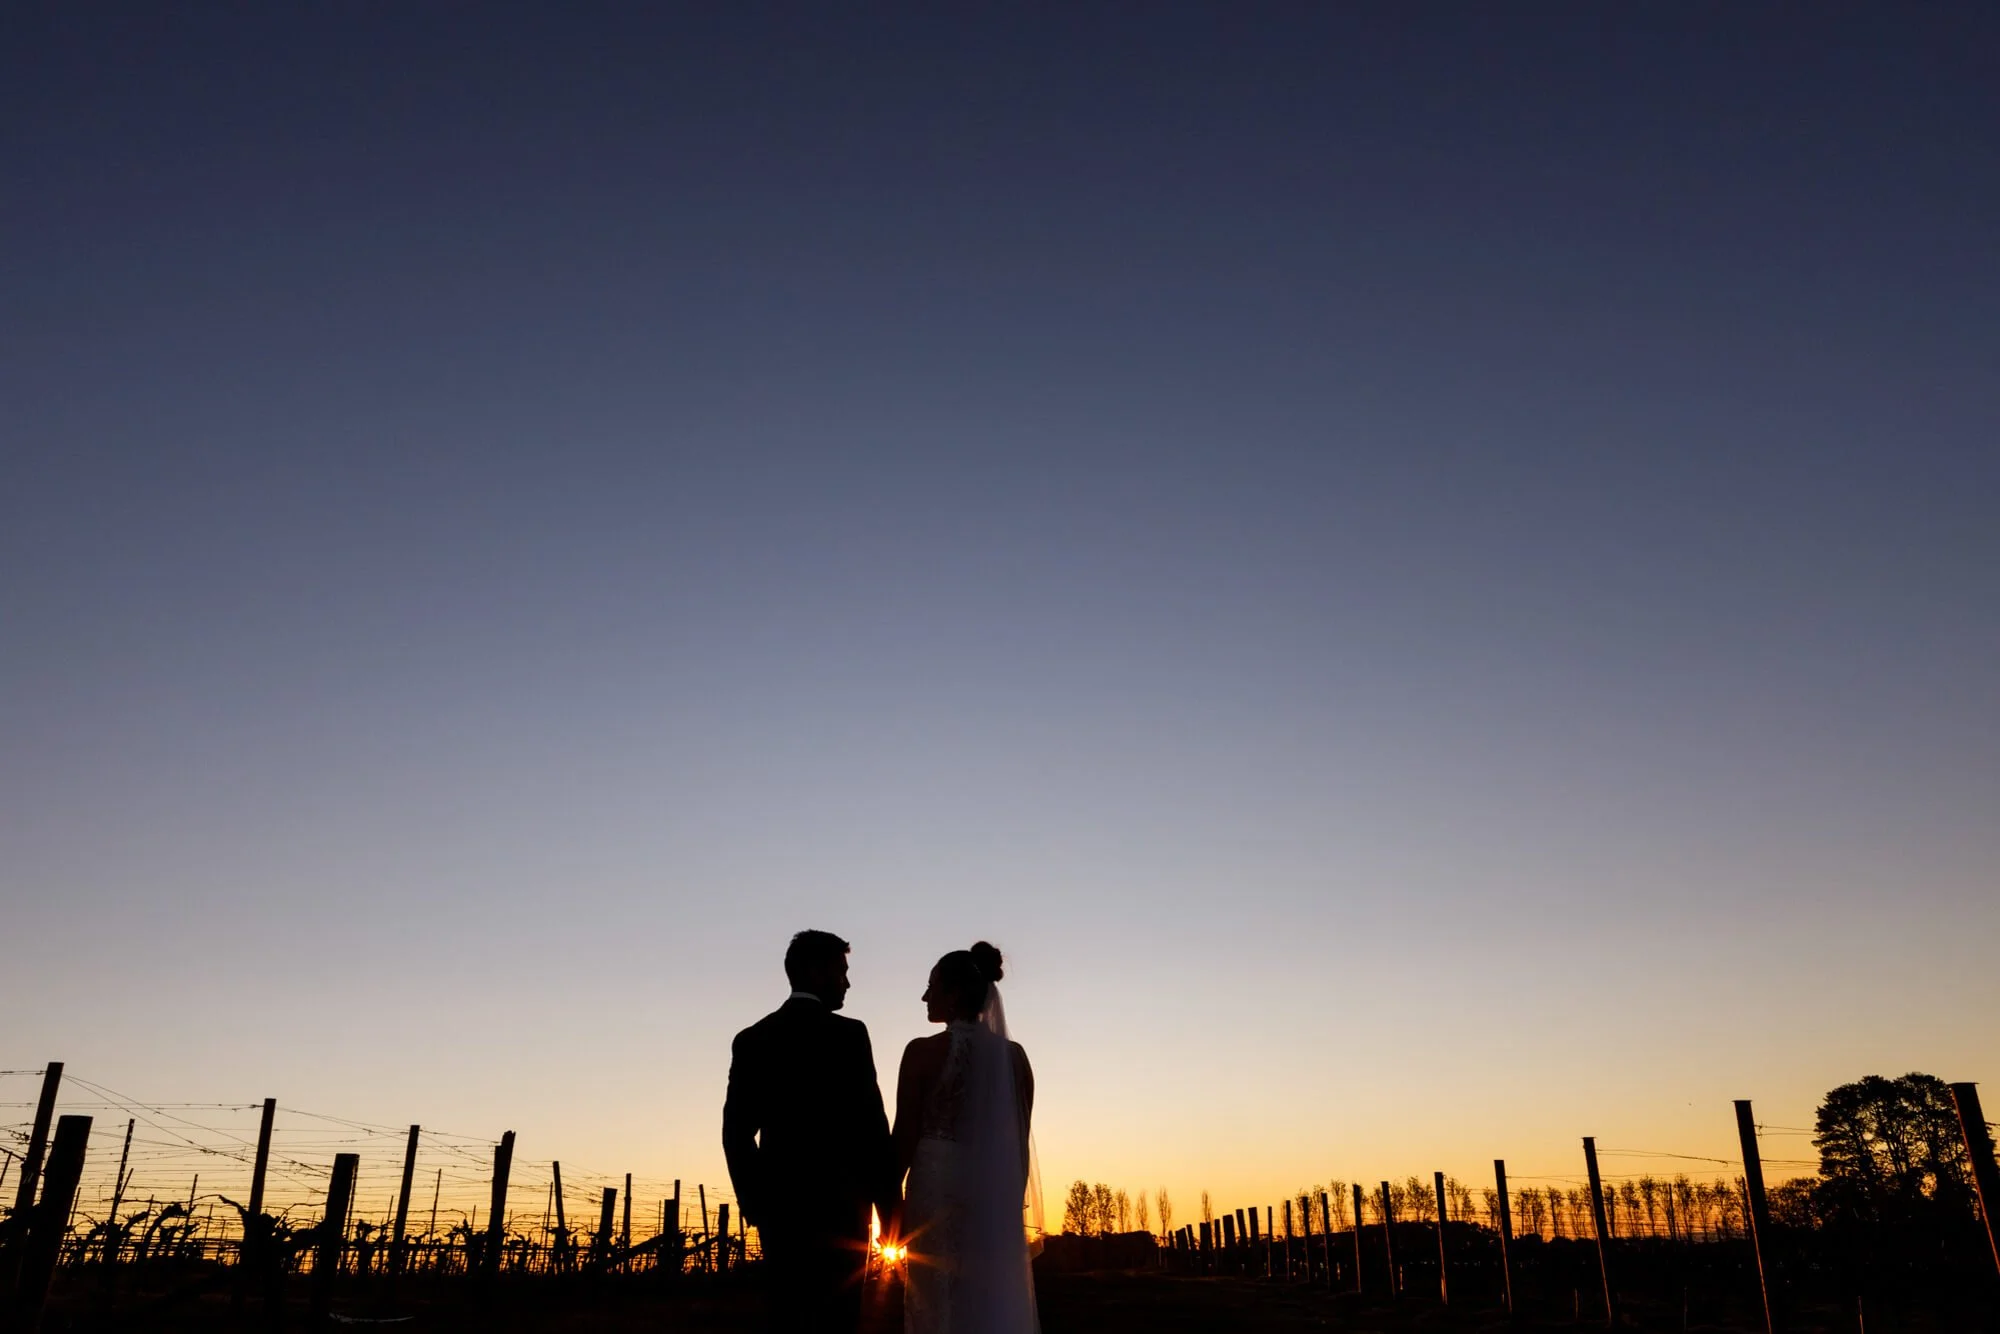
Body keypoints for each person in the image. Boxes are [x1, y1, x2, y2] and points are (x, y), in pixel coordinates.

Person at [724, 930, 898, 1334]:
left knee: (788, 1316)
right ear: (815, 971)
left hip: (781, 1215)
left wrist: (757, 1202)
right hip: (845, 1213)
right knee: (840, 1319)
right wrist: (889, 1209)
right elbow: (872, 1127)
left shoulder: (753, 1039)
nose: (848, 982)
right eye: (842, 971)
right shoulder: (850, 1035)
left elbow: (735, 1132)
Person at [892, 941, 1042, 1334]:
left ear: (954, 995)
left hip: (933, 1193)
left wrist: (886, 1205)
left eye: (932, 986)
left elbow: (903, 1139)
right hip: (991, 1200)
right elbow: (1018, 1146)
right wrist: (1007, 1212)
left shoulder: (921, 1053)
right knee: (984, 1298)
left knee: (936, 1301)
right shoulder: (1015, 1058)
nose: (924, 996)